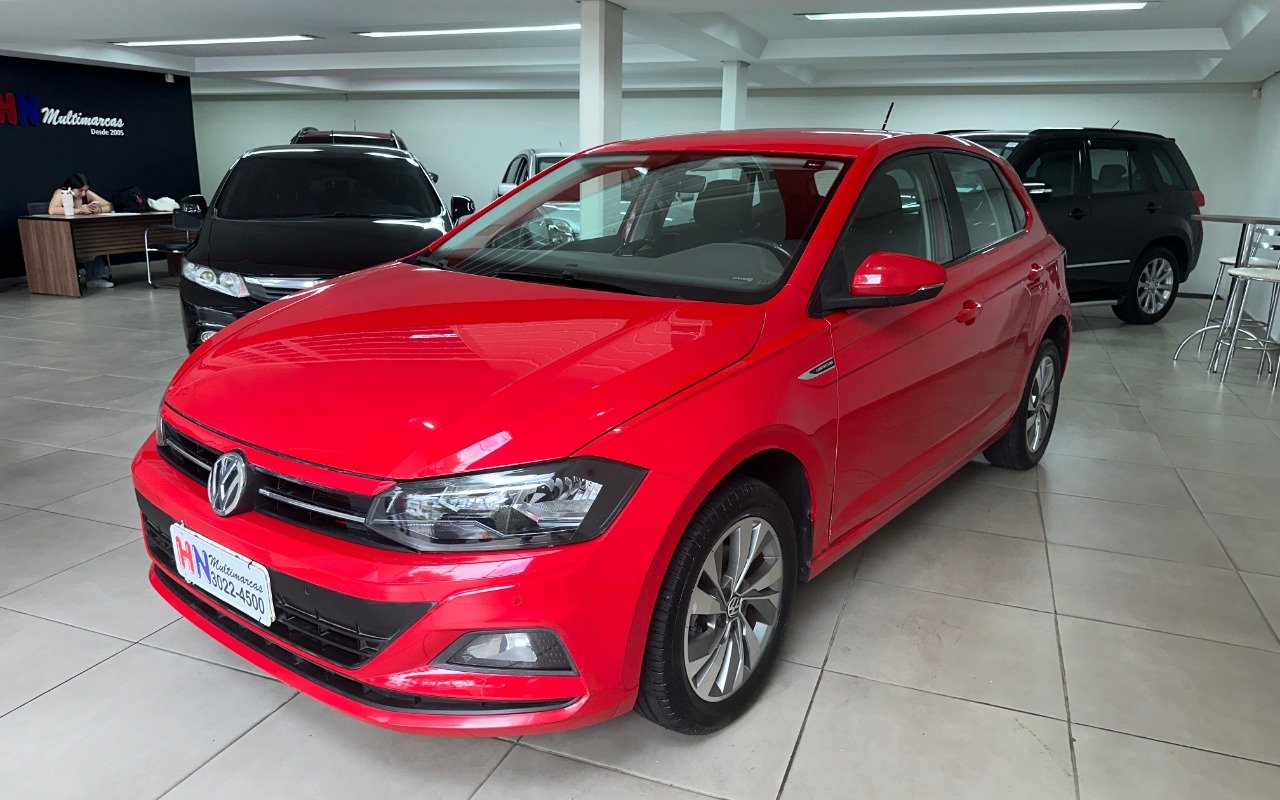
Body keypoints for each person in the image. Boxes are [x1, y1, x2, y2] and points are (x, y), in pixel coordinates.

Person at [47, 173, 115, 288]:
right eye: (80, 190)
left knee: (93, 242)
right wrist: (79, 210)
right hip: (62, 232)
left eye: (86, 190)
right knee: (85, 242)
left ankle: (95, 278)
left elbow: (109, 205)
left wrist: (99, 210)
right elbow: (52, 210)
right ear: (71, 188)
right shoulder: (61, 193)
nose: (83, 193)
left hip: (83, 231)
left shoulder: (86, 194)